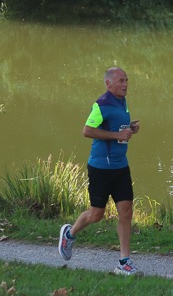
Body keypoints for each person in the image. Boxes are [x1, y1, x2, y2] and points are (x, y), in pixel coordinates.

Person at [58, 67, 141, 275]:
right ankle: (69, 234)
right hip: (101, 168)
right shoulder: (101, 104)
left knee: (126, 212)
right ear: (108, 84)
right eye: (121, 81)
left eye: (126, 80)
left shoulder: (122, 101)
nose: (125, 84)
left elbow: (115, 127)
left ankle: (124, 261)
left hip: (121, 165)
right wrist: (116, 135)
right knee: (96, 214)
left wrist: (129, 127)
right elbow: (87, 130)